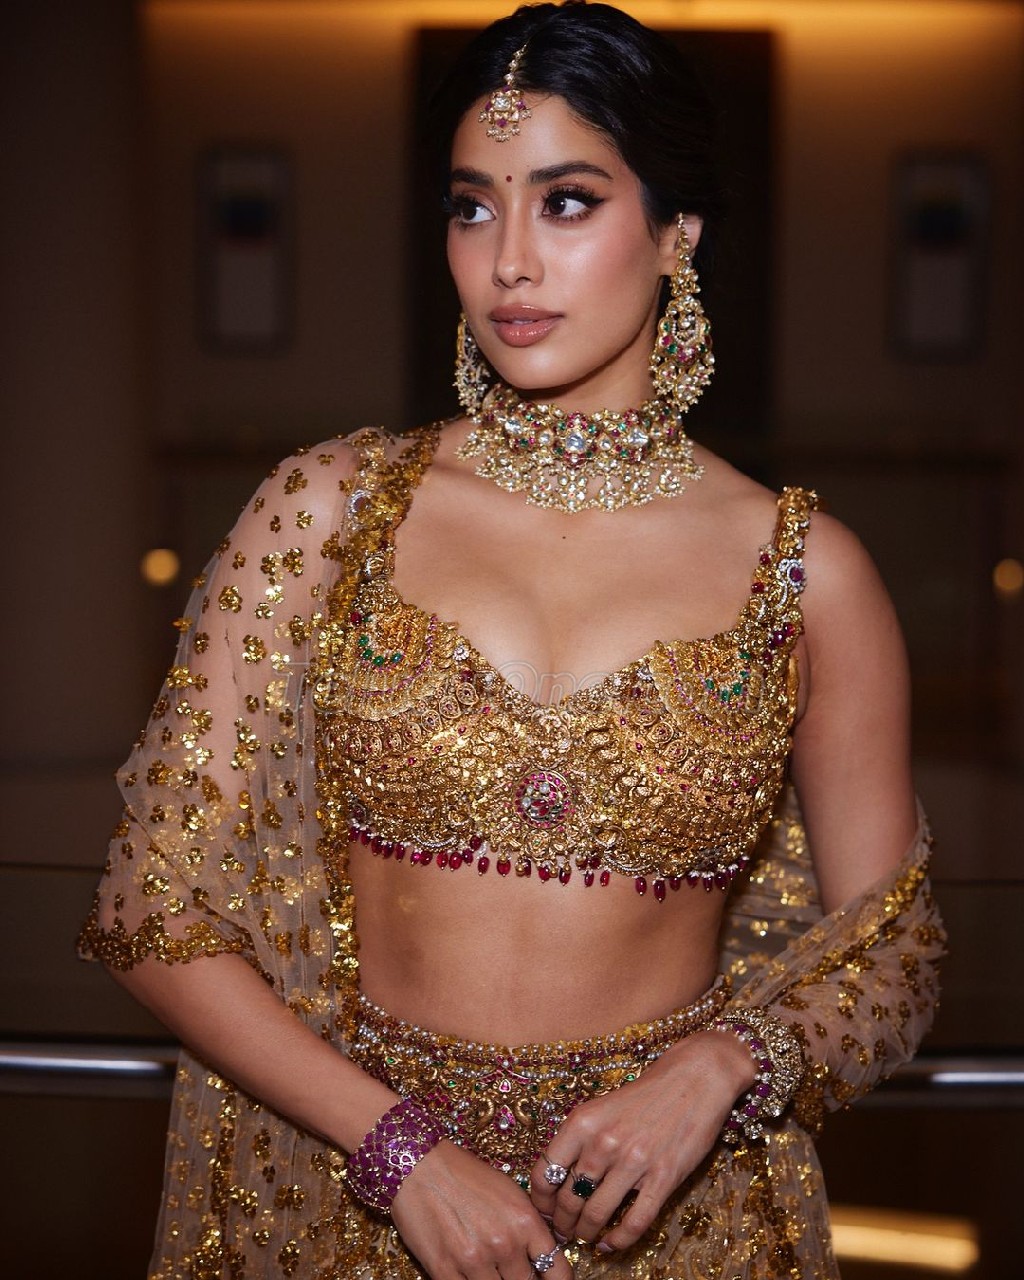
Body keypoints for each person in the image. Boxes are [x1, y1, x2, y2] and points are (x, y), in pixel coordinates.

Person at [78, 4, 945, 1277]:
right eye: (472, 208)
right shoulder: (328, 511)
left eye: (567, 201)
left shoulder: (808, 572)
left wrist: (720, 1065)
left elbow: (894, 952)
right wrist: (400, 1151)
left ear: (677, 231)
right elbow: (151, 907)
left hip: (679, 1217)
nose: (509, 263)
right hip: (355, 1200)